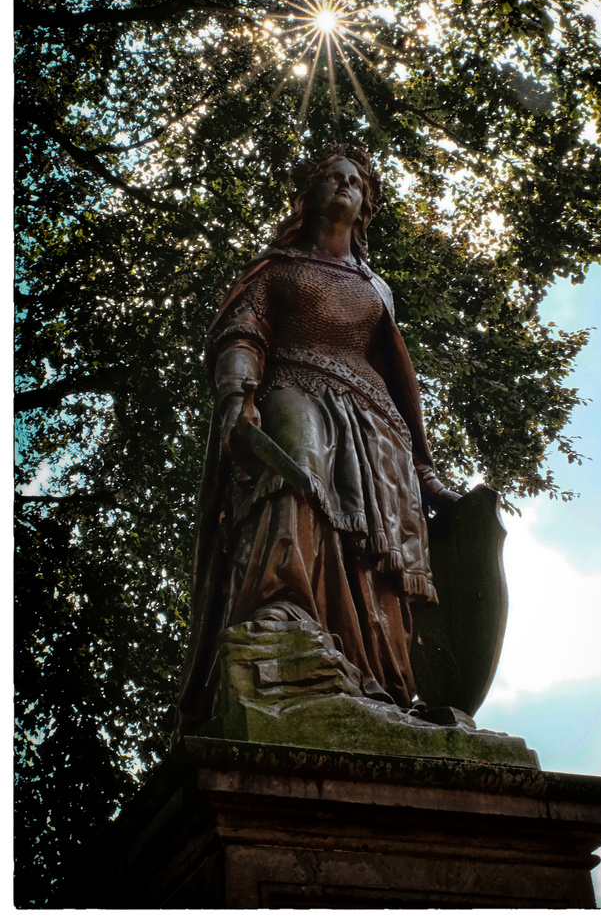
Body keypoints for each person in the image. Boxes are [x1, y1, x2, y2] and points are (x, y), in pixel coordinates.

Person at [174, 144, 459, 738]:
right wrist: (237, 394)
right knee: (295, 465)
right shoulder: (277, 268)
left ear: (365, 207)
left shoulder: (376, 287)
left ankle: (381, 677)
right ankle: (284, 608)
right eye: (332, 177)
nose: (345, 185)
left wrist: (424, 465)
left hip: (374, 419)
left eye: (356, 180)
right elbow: (242, 332)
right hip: (292, 385)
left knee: (377, 547)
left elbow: (401, 376)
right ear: (307, 197)